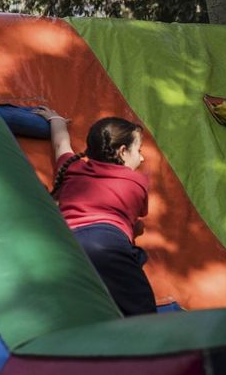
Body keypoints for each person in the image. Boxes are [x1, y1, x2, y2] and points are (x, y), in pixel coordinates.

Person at [38, 109, 157, 316]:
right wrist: (136, 230)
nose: (143, 158)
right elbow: (134, 224)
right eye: (138, 150)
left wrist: (55, 119)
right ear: (122, 151)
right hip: (106, 243)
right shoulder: (137, 181)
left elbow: (61, 144)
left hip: (65, 244)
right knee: (142, 312)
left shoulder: (72, 168)